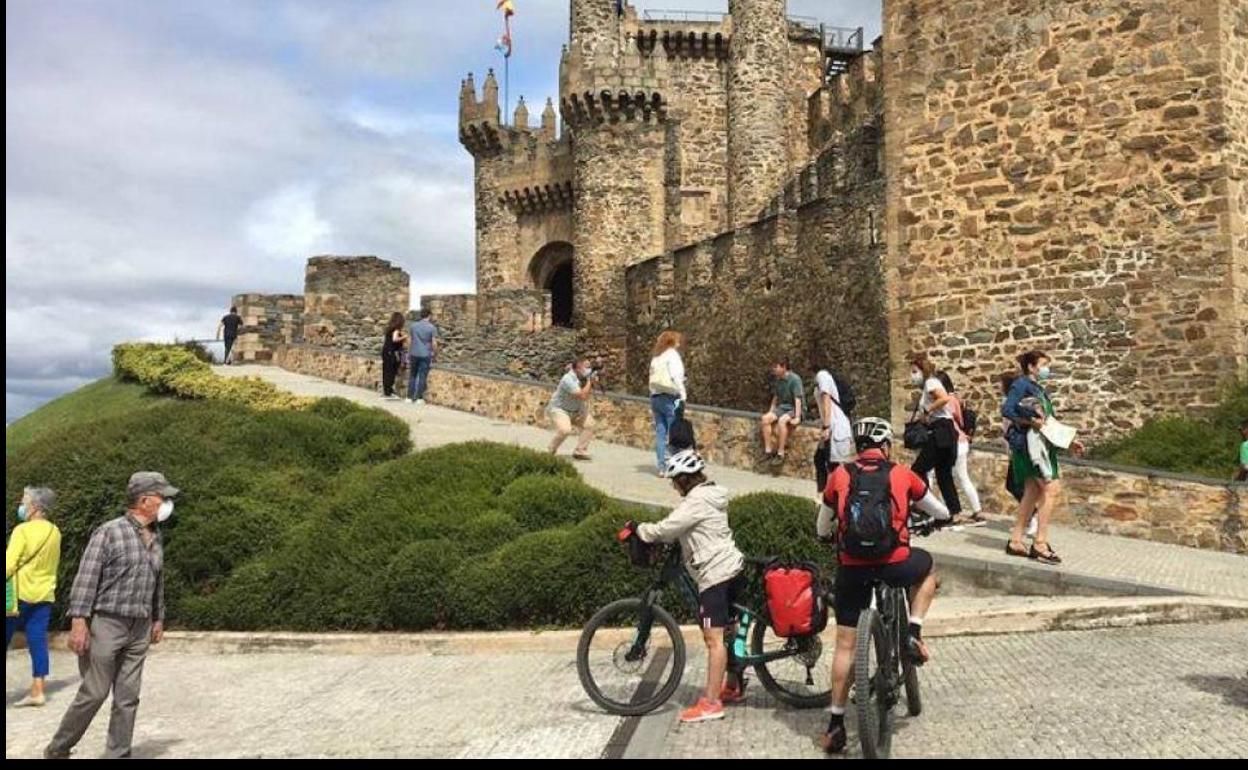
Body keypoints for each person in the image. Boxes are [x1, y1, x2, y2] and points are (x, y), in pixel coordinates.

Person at [816, 418, 950, 753]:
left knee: (845, 645)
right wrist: (935, 519)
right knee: (929, 568)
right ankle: (913, 632)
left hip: (851, 569)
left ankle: (835, 723)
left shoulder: (840, 475)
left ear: (857, 447)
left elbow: (822, 526)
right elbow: (941, 510)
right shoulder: (902, 473)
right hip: (895, 564)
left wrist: (826, 535)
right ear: (886, 445)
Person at [44, 472, 178, 760]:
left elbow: (157, 582)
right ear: (144, 501)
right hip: (108, 623)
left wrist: (158, 618)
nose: (166, 503)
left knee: (128, 697)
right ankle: (59, 748)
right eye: (162, 497)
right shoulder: (109, 532)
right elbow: (86, 578)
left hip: (140, 626)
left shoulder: (155, 537)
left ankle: (118, 753)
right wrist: (78, 622)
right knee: (95, 691)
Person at [634, 449, 745, 723]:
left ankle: (711, 703)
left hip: (715, 575)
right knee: (728, 629)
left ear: (684, 479)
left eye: (675, 481)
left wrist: (639, 530)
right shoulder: (712, 493)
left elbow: (667, 528)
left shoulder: (696, 501)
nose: (673, 486)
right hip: (731, 567)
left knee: (713, 638)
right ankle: (732, 685)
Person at [1002, 350, 1085, 565]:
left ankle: (1016, 540)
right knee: (1051, 489)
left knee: (1032, 491)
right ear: (1031, 367)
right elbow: (1008, 409)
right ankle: (1040, 542)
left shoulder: (1038, 390)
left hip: (1040, 447)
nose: (1047, 369)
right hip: (1032, 449)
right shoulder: (1021, 385)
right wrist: (1031, 422)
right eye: (1044, 364)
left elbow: (1048, 422)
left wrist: (1069, 441)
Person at [6, 487, 62, 708]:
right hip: (44, 594)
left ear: (35, 507)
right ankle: (38, 690)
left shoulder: (23, 530)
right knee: (37, 641)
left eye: (24, 502)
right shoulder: (55, 532)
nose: (22, 506)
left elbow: (9, 564)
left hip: (19, 595)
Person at [908, 354, 965, 524]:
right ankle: (955, 512)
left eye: (914, 371)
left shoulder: (930, 383)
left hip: (940, 431)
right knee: (943, 474)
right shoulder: (929, 385)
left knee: (917, 470)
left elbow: (944, 398)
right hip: (946, 431)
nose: (912, 375)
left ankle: (926, 505)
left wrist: (927, 411)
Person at [927, 371, 987, 526]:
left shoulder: (942, 399)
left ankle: (935, 510)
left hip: (950, 441)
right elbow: (960, 419)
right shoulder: (956, 399)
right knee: (961, 477)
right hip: (961, 440)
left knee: (936, 474)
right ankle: (977, 510)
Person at [648, 331, 688, 477]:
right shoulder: (672, 355)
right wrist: (683, 395)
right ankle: (674, 465)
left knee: (660, 432)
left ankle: (662, 467)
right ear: (672, 341)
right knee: (674, 433)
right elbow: (676, 377)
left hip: (656, 397)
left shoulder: (657, 357)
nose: (679, 341)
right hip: (670, 397)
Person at [813, 366, 855, 493]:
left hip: (835, 428)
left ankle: (832, 496)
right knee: (821, 459)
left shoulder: (822, 375)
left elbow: (826, 399)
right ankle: (826, 494)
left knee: (834, 466)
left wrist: (826, 427)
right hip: (835, 427)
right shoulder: (825, 376)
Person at [547, 358, 596, 460]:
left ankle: (580, 451)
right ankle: (551, 450)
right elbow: (582, 395)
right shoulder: (568, 379)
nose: (587, 370)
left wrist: (593, 380)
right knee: (565, 430)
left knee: (590, 424)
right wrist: (589, 381)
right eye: (584, 368)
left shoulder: (580, 376)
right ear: (577, 369)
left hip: (576, 409)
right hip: (560, 409)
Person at [759, 360, 804, 466]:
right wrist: (771, 412)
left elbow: (798, 399)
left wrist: (797, 416)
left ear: (784, 367)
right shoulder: (778, 380)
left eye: (776, 367)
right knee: (765, 419)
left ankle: (780, 453)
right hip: (782, 407)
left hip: (793, 408)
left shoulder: (795, 379)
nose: (774, 369)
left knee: (782, 421)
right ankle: (768, 451)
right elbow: (775, 398)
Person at [407, 309, 439, 405]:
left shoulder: (413, 326)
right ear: (429, 315)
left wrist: (409, 351)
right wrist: (435, 353)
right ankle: (419, 398)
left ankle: (409, 397)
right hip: (425, 354)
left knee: (412, 375)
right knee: (422, 376)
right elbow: (434, 343)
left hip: (414, 352)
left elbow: (409, 340)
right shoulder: (432, 328)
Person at [380, 312, 407, 400]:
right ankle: (389, 392)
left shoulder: (389, 329)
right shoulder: (396, 330)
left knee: (386, 371)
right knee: (391, 371)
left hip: (386, 351)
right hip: (391, 352)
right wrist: (404, 337)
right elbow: (395, 339)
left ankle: (386, 390)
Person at [1236, 418, 1248, 483]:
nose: (1241, 433)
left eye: (1242, 430)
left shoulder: (1245, 445)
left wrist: (1237, 478)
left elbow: (1245, 466)